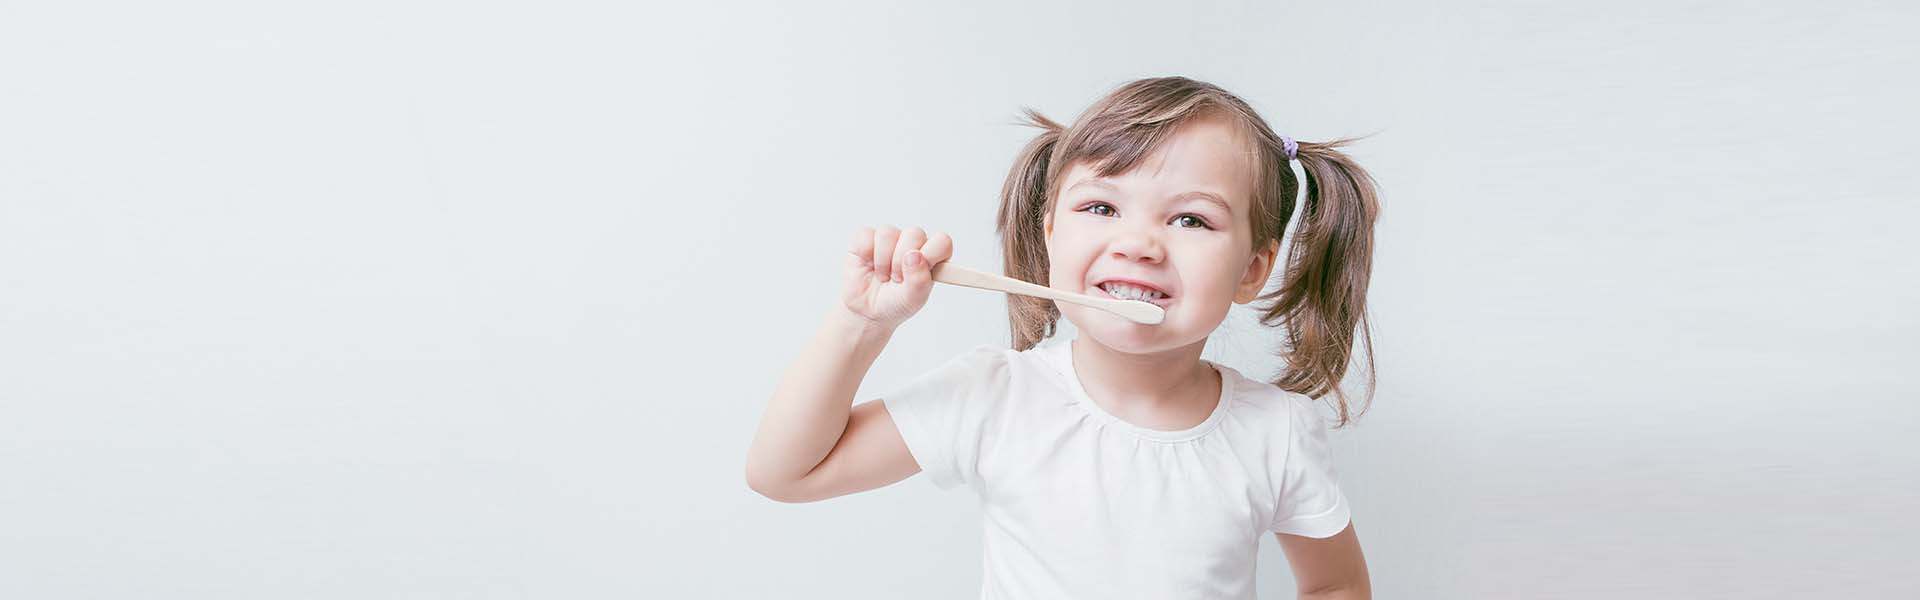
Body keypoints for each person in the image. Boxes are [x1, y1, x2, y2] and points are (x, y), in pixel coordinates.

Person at [746, 76, 1381, 599]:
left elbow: (1337, 585)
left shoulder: (1277, 432)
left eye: (1190, 218)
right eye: (1101, 207)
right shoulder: (993, 396)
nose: (1138, 243)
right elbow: (786, 474)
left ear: (1251, 270)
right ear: (1050, 233)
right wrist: (862, 324)